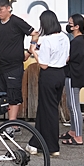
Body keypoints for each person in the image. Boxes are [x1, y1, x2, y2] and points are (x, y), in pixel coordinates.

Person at [0, 0, 38, 124]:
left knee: (13, 95)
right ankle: (5, 124)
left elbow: (35, 33)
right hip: (0, 66)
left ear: (8, 8)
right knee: (1, 95)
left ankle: (12, 125)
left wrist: (29, 52)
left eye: (1, 9)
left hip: (14, 66)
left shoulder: (16, 22)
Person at [27, 10, 68, 157]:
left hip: (49, 75)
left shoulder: (48, 40)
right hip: (61, 74)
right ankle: (36, 143)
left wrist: (34, 52)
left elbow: (43, 65)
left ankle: (52, 146)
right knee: (48, 109)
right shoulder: (64, 37)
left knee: (47, 110)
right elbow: (66, 57)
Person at [60, 13, 84, 146]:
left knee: (74, 106)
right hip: (75, 76)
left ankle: (78, 136)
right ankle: (73, 130)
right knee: (71, 105)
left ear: (77, 26)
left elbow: (69, 58)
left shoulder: (76, 41)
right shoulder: (80, 40)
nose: (68, 25)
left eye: (70, 24)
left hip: (73, 76)